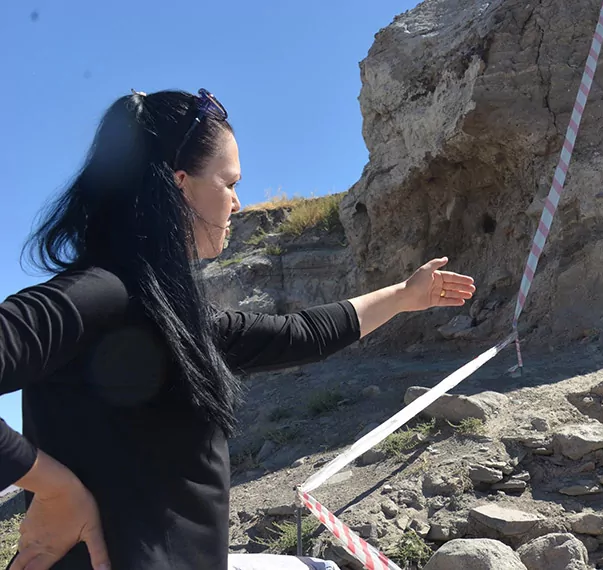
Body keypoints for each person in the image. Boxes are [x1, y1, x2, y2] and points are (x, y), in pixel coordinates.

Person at [0, 88, 476, 569]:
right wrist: (55, 489)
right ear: (181, 186)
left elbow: (300, 333)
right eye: (229, 183)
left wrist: (403, 297)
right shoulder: (100, 293)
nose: (238, 201)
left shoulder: (165, 311)